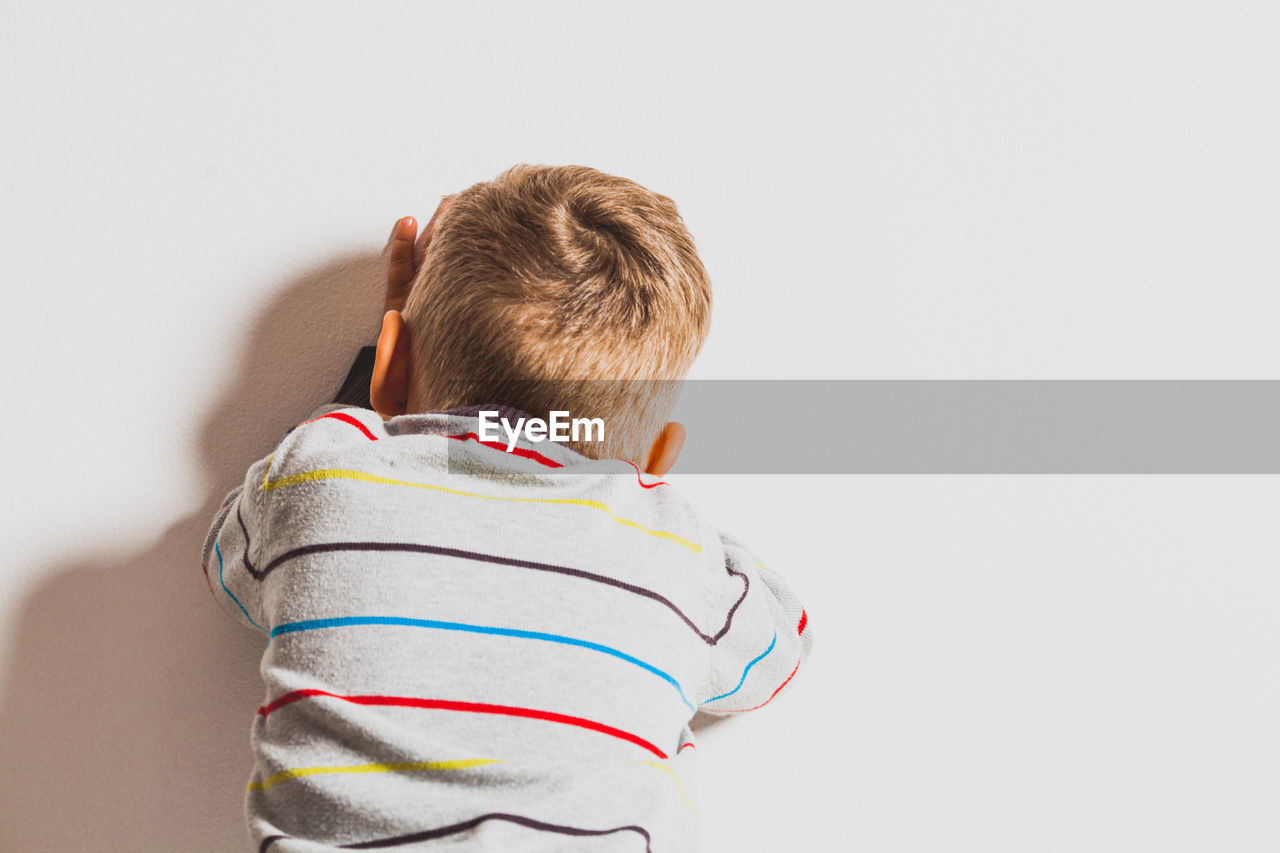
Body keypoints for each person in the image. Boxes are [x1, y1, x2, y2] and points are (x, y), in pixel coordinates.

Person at [202, 164, 814, 851]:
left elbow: (231, 566)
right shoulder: (679, 554)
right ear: (659, 456)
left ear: (392, 364)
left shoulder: (317, 476)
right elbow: (781, 648)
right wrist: (651, 505)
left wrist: (369, 396)